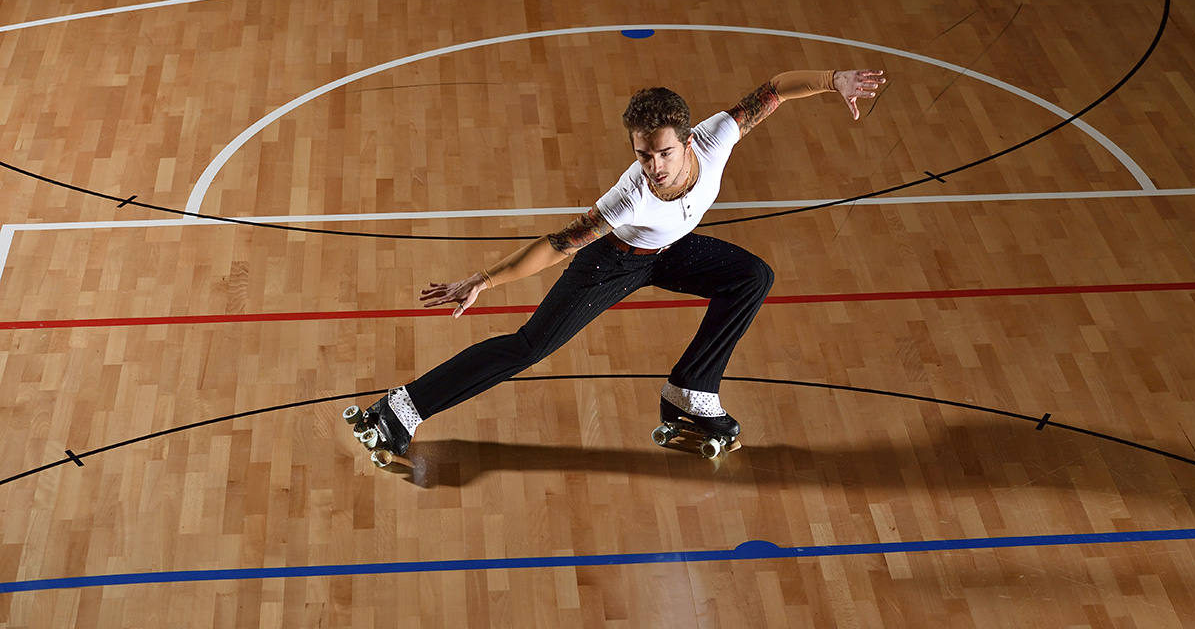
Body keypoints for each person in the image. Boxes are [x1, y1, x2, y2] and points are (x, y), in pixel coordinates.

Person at [355, 67, 886, 459]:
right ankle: (401, 408)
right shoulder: (629, 197)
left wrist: (834, 80)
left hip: (673, 249)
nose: (653, 167)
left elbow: (775, 90)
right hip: (614, 262)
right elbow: (558, 245)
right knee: (530, 346)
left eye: (663, 154)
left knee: (752, 277)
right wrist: (485, 279)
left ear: (686, 140)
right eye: (642, 155)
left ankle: (690, 391)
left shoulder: (718, 136)